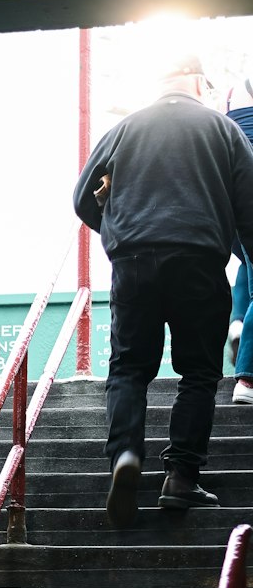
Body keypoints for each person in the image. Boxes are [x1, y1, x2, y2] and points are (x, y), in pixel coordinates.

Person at [73, 55, 253, 527]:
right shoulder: (223, 130)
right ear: (198, 82)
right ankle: (181, 477)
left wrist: (117, 233)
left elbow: (80, 199)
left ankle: (126, 455)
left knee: (129, 369)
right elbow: (250, 207)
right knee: (198, 372)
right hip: (198, 261)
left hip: (133, 264)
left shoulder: (122, 130)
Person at [224, 79, 253, 404]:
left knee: (249, 260)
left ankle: (238, 320)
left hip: (230, 200)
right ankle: (247, 378)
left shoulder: (229, 96)